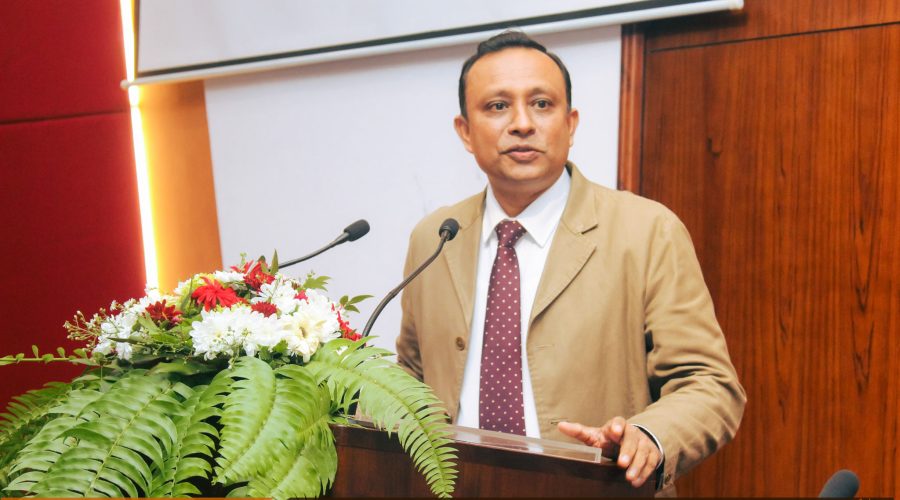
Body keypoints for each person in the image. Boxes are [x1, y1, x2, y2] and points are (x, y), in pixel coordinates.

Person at [395, 30, 745, 493]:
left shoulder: (647, 231)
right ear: (465, 131)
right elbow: (411, 375)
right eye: (497, 106)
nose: (522, 123)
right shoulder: (435, 237)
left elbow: (710, 383)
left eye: (542, 104)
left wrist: (650, 436)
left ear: (571, 123)